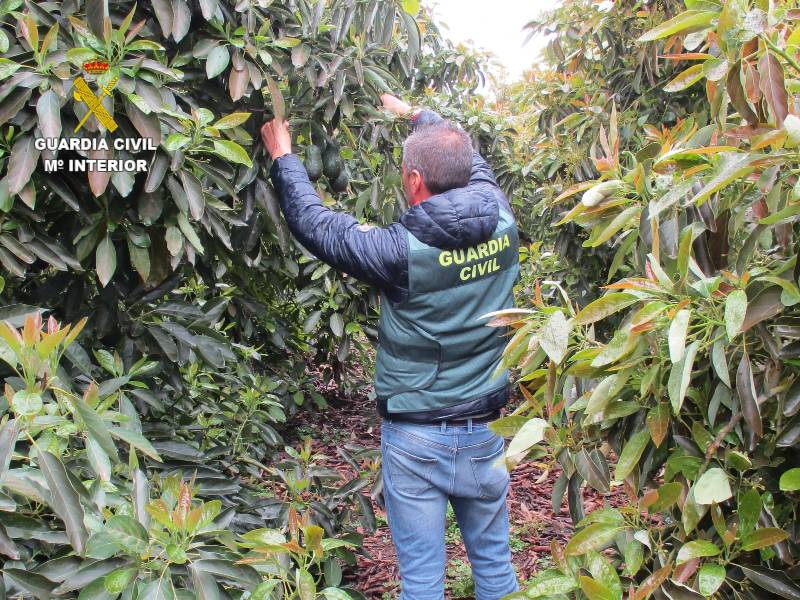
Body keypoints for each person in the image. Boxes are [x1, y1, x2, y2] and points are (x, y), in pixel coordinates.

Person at [260, 94, 519, 600]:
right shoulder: (502, 218)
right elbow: (472, 158)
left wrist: (283, 156)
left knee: (422, 583)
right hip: (486, 430)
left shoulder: (398, 253)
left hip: (417, 436)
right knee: (495, 568)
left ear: (414, 180)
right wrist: (419, 116)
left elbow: (317, 225)